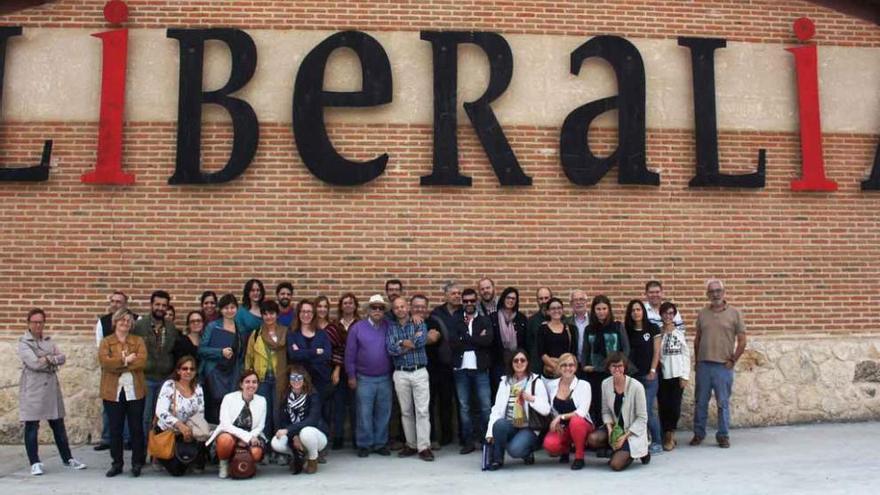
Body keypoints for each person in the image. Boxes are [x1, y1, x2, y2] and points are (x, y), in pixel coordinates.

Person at [19, 309, 86, 475]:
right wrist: (50, 358)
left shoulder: (49, 341)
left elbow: (62, 358)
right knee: (32, 426)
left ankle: (68, 458)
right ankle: (34, 462)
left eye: (41, 322)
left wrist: (47, 358)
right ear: (28, 323)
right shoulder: (23, 342)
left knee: (58, 425)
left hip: (51, 388)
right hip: (33, 389)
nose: (38, 325)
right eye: (34, 322)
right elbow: (34, 363)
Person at [692, 279, 747, 449]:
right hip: (704, 365)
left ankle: (723, 435)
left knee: (722, 402)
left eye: (718, 290)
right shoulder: (702, 313)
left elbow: (743, 340)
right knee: (700, 401)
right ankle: (699, 434)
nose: (715, 294)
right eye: (711, 291)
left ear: (724, 292)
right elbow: (697, 339)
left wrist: (733, 360)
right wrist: (697, 360)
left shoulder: (734, 313)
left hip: (723, 366)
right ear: (707, 294)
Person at [99, 309, 147, 477]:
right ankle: (117, 463)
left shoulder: (138, 340)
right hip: (113, 391)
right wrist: (126, 360)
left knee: (136, 428)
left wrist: (118, 363)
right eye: (122, 320)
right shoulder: (106, 342)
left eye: (128, 320)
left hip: (135, 390)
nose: (125, 323)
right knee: (115, 429)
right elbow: (105, 363)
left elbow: (141, 362)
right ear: (115, 321)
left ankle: (137, 462)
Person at [344, 295, 393, 457]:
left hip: (385, 377)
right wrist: (351, 376)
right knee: (364, 413)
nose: (377, 311)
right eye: (374, 308)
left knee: (383, 412)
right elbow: (349, 354)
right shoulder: (357, 328)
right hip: (364, 378)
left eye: (380, 308)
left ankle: (380, 443)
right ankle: (364, 444)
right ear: (368, 310)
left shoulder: (389, 326)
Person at [485, 349, 549, 470]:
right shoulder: (505, 382)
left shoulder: (536, 381)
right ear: (511, 363)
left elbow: (546, 409)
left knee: (514, 451)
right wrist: (490, 433)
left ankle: (527, 451)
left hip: (529, 427)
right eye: (516, 360)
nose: (519, 363)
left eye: (522, 360)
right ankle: (497, 460)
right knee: (499, 424)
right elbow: (497, 410)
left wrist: (531, 399)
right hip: (510, 424)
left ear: (528, 363)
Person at [386, 296, 433, 461]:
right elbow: (391, 349)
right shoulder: (391, 328)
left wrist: (402, 343)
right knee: (406, 412)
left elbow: (419, 342)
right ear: (393, 310)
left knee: (422, 411)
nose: (400, 309)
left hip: (419, 371)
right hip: (401, 373)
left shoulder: (419, 323)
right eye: (396, 307)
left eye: (402, 306)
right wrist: (406, 343)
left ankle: (424, 447)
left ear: (408, 308)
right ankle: (411, 445)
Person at [587, 352, 650, 471]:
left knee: (615, 465)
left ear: (625, 367)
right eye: (613, 366)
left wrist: (624, 437)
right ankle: (618, 450)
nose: (617, 369)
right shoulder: (605, 384)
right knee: (592, 439)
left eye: (620, 366)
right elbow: (605, 411)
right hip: (616, 427)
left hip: (631, 431)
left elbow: (642, 418)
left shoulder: (637, 387)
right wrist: (610, 430)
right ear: (609, 368)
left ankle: (642, 451)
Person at [450, 288, 494, 454]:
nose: (469, 304)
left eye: (472, 301)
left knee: (485, 405)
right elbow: (453, 342)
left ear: (476, 301)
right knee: (464, 406)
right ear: (462, 302)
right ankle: (468, 441)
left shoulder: (484, 320)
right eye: (465, 301)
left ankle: (486, 439)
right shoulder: (456, 320)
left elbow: (488, 340)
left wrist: (466, 338)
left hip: (480, 368)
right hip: (461, 369)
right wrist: (476, 339)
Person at [132, 290, 179, 441]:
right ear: (151, 305)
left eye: (164, 305)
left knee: (163, 416)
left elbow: (174, 351)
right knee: (145, 416)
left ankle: (158, 449)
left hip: (165, 379)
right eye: (157, 304)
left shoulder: (171, 328)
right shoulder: (139, 326)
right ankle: (144, 448)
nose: (160, 308)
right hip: (146, 378)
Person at [153, 356, 210, 476]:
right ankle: (158, 456)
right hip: (169, 432)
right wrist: (179, 425)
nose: (188, 371)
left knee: (197, 465)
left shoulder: (198, 388)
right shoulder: (169, 386)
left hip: (188, 431)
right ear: (178, 371)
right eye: (184, 368)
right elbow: (161, 411)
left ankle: (194, 458)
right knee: (177, 471)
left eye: (192, 369)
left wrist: (189, 429)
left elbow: (200, 413)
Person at [94, 291, 137, 451]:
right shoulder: (102, 322)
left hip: (131, 372)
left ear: (125, 304)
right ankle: (107, 438)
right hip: (110, 371)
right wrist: (119, 361)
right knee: (109, 405)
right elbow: (101, 349)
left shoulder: (135, 320)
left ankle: (127, 439)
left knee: (129, 404)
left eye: (119, 301)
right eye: (112, 301)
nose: (115, 304)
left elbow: (137, 347)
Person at [206, 370, 267, 479]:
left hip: (252, 434)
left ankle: (247, 463)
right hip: (230, 434)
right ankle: (224, 464)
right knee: (225, 440)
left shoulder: (262, 400)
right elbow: (225, 423)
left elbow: (260, 426)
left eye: (254, 382)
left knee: (256, 452)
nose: (251, 385)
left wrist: (250, 437)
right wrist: (246, 437)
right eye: (247, 382)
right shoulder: (229, 398)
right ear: (241, 384)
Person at [581, 295, 630, 429]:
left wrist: (619, 366)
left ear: (609, 310)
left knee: (614, 404)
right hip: (594, 373)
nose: (601, 312)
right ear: (594, 310)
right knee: (598, 405)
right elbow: (585, 350)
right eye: (598, 309)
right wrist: (585, 366)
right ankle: (600, 436)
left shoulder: (617, 326)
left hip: (613, 373)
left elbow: (625, 349)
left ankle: (615, 435)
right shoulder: (589, 329)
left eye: (604, 308)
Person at [271, 366, 328, 475]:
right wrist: (294, 436)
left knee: (306, 432)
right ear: (289, 380)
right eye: (293, 378)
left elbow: (312, 420)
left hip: (315, 435)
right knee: (276, 442)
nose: (296, 381)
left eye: (299, 378)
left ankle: (312, 458)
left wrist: (289, 431)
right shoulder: (285, 396)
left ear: (304, 379)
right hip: (294, 435)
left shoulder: (313, 395)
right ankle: (297, 456)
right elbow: (282, 421)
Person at [245, 300, 288, 443]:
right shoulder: (256, 334)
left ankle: (279, 447)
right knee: (264, 414)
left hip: (280, 378)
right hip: (262, 379)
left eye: (272, 313)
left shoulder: (285, 332)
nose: (269, 317)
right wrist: (248, 380)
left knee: (279, 413)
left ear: (277, 315)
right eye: (265, 314)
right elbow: (249, 357)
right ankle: (266, 446)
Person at [542, 353, 594, 470]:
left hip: (582, 424)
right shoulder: (552, 385)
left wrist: (561, 417)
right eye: (564, 365)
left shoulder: (584, 385)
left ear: (575, 367)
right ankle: (565, 450)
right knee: (550, 445)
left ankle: (579, 457)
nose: (568, 368)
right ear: (559, 368)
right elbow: (551, 409)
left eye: (571, 365)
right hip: (562, 426)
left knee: (576, 422)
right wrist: (556, 420)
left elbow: (582, 412)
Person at [624, 299, 663, 455]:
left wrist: (653, 370)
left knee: (647, 409)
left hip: (649, 377)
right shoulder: (626, 329)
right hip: (633, 377)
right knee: (633, 410)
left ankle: (657, 441)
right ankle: (640, 440)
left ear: (643, 311)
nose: (636, 313)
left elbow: (656, 352)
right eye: (633, 310)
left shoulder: (652, 328)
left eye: (638, 309)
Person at [287, 299, 333, 429]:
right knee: (302, 411)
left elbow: (327, 355)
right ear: (298, 313)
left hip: (320, 379)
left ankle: (321, 441)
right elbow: (293, 355)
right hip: (300, 379)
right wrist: (315, 351)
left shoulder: (322, 334)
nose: (306, 314)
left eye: (309, 311)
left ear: (313, 314)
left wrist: (303, 352)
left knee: (320, 411)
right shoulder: (292, 333)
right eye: (303, 311)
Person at [199, 293, 242, 424]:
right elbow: (201, 350)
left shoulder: (239, 327)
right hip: (215, 373)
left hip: (232, 374)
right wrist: (220, 352)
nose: (229, 311)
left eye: (232, 307)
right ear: (221, 310)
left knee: (229, 409)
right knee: (214, 409)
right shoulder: (212, 326)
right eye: (226, 308)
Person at [325, 292, 358, 449]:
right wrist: (337, 368)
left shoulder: (360, 325)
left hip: (356, 371)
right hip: (337, 372)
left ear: (355, 305)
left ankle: (357, 438)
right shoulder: (334, 326)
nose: (348, 305)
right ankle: (337, 437)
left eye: (351, 302)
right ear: (340, 306)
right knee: (338, 406)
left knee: (355, 406)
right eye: (345, 303)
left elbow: (358, 348)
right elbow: (333, 349)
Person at [657, 301, 689, 451]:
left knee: (675, 406)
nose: (668, 316)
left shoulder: (679, 334)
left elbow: (686, 355)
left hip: (677, 375)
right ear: (661, 315)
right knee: (664, 406)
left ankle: (671, 434)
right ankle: (665, 433)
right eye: (665, 313)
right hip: (663, 375)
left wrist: (685, 376)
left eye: (671, 313)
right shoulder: (658, 333)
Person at [489, 287, 527, 396]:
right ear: (503, 299)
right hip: (498, 362)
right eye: (508, 298)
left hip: (517, 361)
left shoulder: (521, 319)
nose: (510, 301)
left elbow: (524, 342)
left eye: (513, 299)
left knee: (516, 393)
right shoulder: (493, 318)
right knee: (499, 393)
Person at [536, 297, 577, 381]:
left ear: (562, 310)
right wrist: (556, 368)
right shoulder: (542, 329)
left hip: (567, 371)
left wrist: (564, 368)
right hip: (549, 373)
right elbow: (541, 352)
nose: (556, 310)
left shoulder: (570, 329)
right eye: (553, 308)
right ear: (548, 311)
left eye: (559, 308)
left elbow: (573, 352)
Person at [526, 287, 552, 374]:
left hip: (557, 367)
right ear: (537, 301)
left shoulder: (562, 319)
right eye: (541, 299)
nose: (544, 301)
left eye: (546, 298)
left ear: (551, 298)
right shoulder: (531, 321)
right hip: (537, 369)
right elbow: (528, 345)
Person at [564, 289, 590, 374]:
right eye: (575, 300)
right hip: (573, 366)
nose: (579, 302)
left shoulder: (594, 320)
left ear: (586, 302)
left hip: (591, 366)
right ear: (571, 304)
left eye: (581, 299)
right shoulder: (566, 322)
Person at [236, 279, 265, 345]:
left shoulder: (266, 309)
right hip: (247, 348)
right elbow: (240, 336)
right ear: (248, 293)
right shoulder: (241, 312)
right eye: (252, 290)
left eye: (258, 290)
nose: (256, 293)